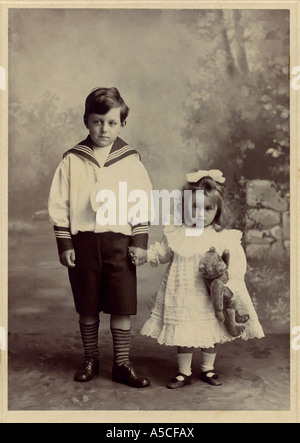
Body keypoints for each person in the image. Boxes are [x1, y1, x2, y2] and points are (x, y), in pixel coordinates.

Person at [48, 87, 152, 388]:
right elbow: (59, 203)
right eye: (97, 121)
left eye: (111, 123)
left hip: (119, 244)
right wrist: (65, 243)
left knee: (120, 305)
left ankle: (121, 364)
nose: (103, 129)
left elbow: (141, 201)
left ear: (121, 124)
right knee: (88, 305)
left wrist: (139, 242)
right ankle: (90, 358)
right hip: (84, 244)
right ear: (86, 120)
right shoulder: (72, 160)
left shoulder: (130, 160)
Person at [141, 169, 264, 389]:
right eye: (194, 207)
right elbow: (163, 252)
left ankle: (208, 368)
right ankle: (183, 372)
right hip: (183, 291)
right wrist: (146, 255)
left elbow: (235, 265)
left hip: (209, 295)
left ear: (217, 211)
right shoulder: (177, 232)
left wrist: (230, 287)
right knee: (184, 329)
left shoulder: (222, 236)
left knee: (211, 329)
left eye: (207, 208)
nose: (200, 213)